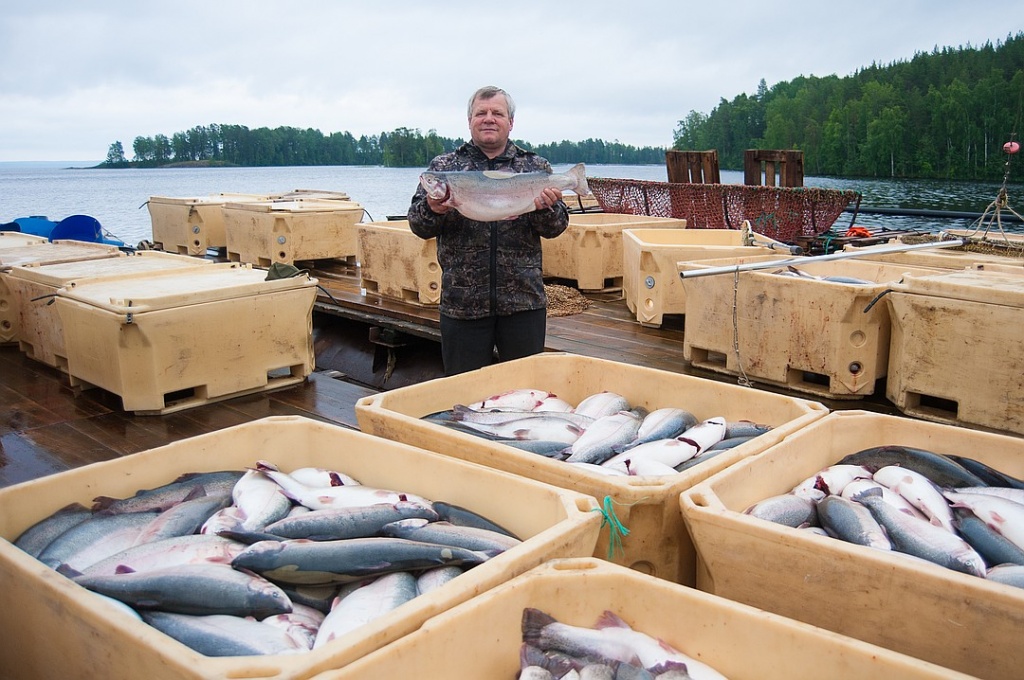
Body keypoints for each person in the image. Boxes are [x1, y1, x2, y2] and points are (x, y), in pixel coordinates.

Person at [408, 85, 569, 375]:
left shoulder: (534, 166)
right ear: (469, 120)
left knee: (527, 388)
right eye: (481, 113)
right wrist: (434, 208)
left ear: (511, 122)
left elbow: (556, 228)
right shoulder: (445, 167)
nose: (489, 118)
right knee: (462, 390)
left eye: (497, 113)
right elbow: (418, 226)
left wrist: (546, 207)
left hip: (524, 302)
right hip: (462, 305)